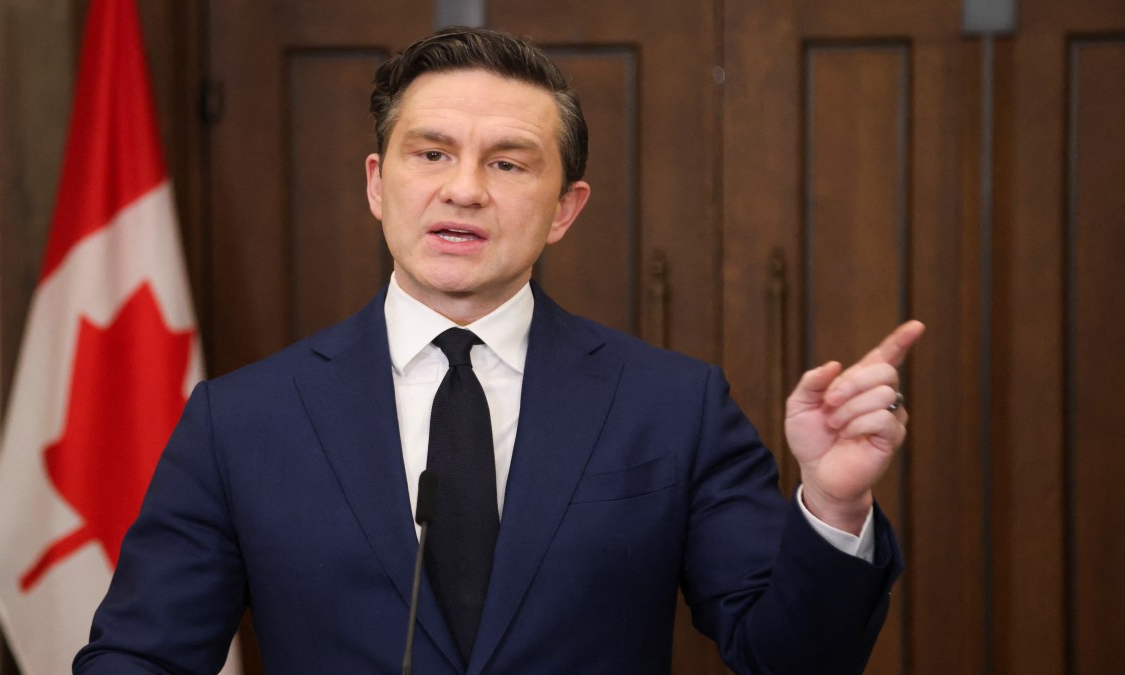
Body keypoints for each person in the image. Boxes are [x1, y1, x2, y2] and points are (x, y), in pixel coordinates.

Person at [74, 27, 925, 674]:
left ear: (565, 208)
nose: (465, 188)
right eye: (431, 153)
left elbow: (789, 659)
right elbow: (140, 659)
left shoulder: (673, 406)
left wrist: (832, 506)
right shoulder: (242, 418)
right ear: (378, 183)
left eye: (510, 163)